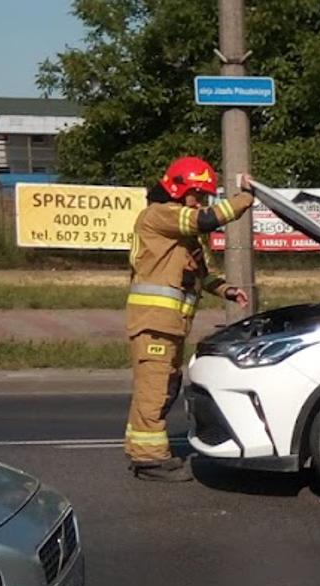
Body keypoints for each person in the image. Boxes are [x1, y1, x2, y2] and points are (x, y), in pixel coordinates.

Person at [123, 156, 256, 482]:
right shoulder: (159, 215)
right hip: (154, 323)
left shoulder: (181, 233)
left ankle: (142, 448)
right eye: (198, 193)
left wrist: (226, 290)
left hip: (170, 325)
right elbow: (208, 219)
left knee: (163, 388)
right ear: (179, 189)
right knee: (154, 389)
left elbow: (200, 275)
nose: (201, 201)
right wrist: (248, 197)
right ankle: (150, 459)